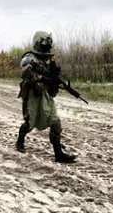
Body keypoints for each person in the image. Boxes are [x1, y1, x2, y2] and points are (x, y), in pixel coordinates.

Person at [16, 31, 77, 163]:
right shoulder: (29, 58)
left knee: (55, 121)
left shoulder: (50, 60)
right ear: (38, 41)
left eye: (49, 41)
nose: (47, 44)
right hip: (32, 94)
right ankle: (20, 141)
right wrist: (41, 78)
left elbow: (53, 77)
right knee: (29, 122)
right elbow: (25, 74)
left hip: (46, 94)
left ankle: (58, 154)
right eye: (44, 41)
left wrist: (57, 84)